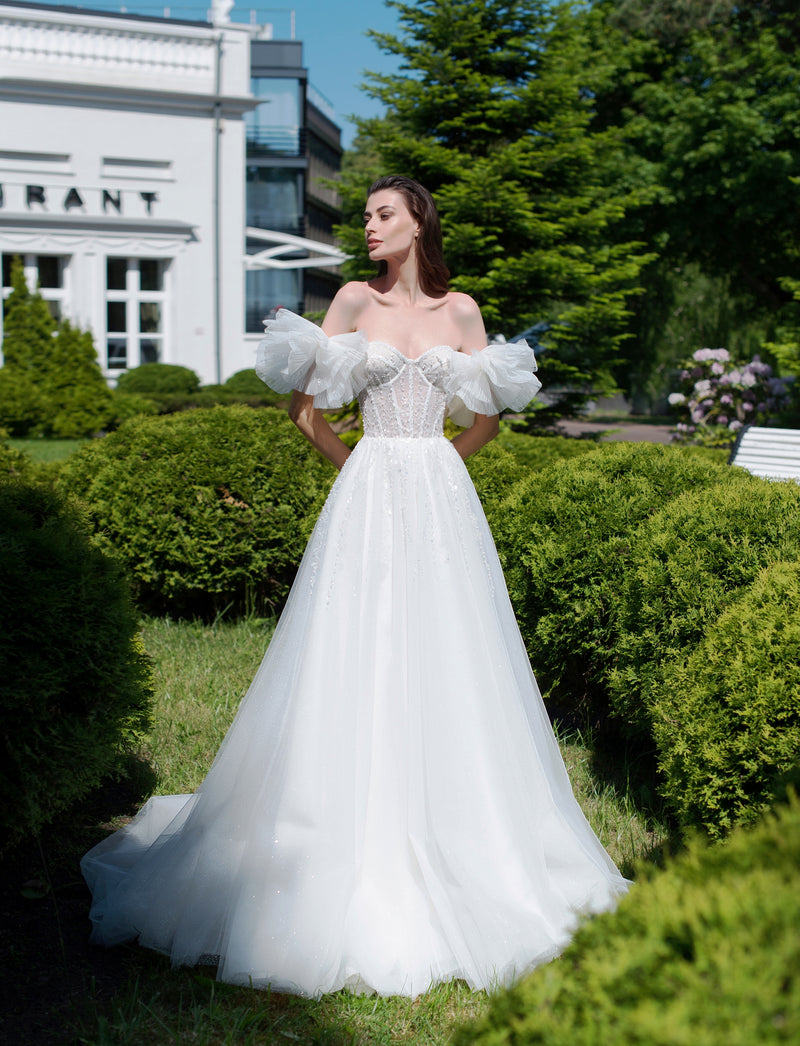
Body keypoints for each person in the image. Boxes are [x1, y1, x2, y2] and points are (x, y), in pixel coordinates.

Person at [82, 175, 628, 998]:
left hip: (441, 499)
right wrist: (365, 467)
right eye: (366, 216)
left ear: (418, 224)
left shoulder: (463, 312)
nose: (367, 227)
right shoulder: (348, 302)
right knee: (355, 642)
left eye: (382, 215)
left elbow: (489, 410)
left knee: (453, 651)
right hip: (368, 492)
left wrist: (440, 462)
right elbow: (306, 410)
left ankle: (466, 829)